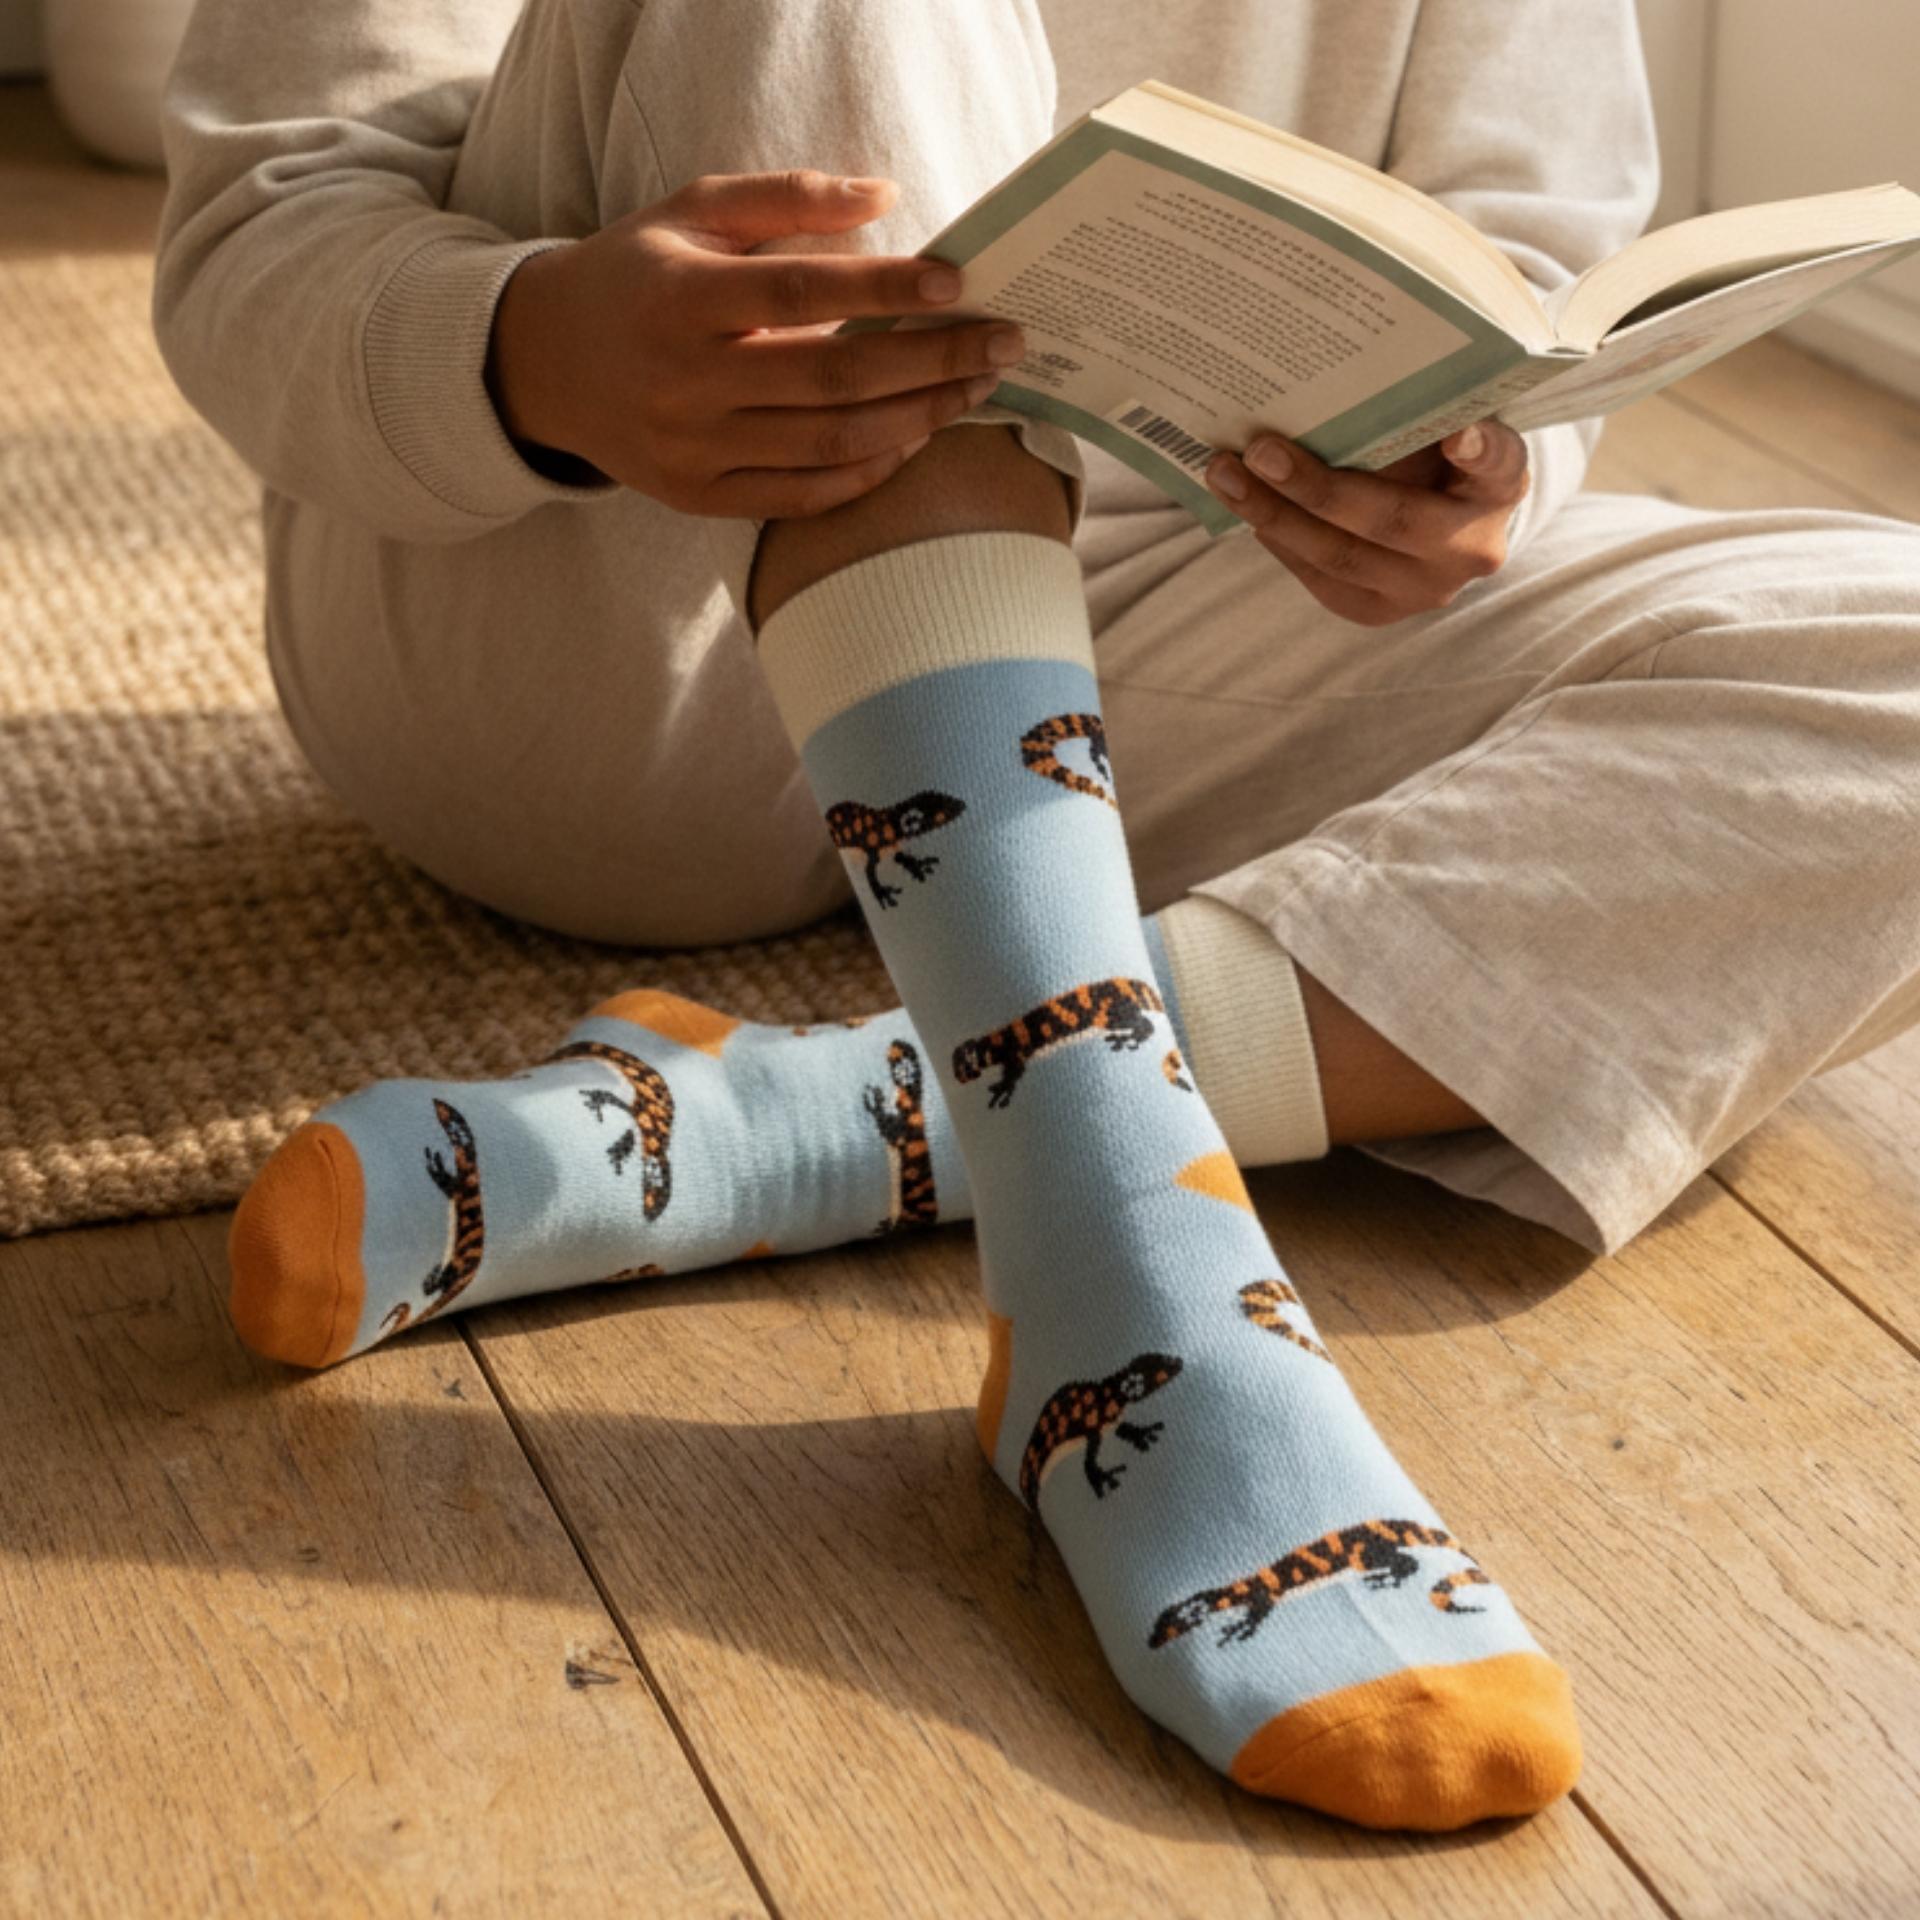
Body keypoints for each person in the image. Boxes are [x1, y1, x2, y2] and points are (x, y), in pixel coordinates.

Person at [152, 0, 1920, 1831]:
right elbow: (257, 229)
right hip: (592, 638)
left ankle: (802, 1125)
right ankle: (1149, 1317)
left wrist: (1486, 467)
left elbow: (1539, 240)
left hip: (1161, 580)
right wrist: (533, 348)